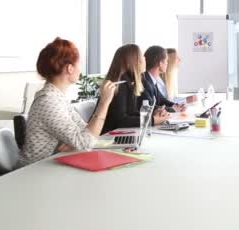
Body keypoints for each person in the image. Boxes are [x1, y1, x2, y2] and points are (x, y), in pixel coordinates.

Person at [18, 37, 116, 167]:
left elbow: (84, 132)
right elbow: (86, 141)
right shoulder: (48, 101)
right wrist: (104, 102)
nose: (80, 69)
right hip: (35, 172)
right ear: (70, 68)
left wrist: (77, 142)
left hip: (50, 166)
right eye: (79, 63)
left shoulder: (57, 97)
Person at [99, 44, 168, 134]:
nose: (145, 59)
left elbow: (131, 112)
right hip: (108, 138)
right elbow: (121, 120)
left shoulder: (128, 82)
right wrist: (152, 120)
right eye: (142, 57)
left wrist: (152, 113)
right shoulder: (120, 85)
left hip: (115, 135)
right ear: (133, 61)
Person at [141, 45, 186, 112]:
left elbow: (161, 99)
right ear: (160, 63)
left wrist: (175, 105)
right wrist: (173, 109)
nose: (167, 63)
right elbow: (149, 107)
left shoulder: (151, 79)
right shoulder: (145, 82)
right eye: (166, 61)